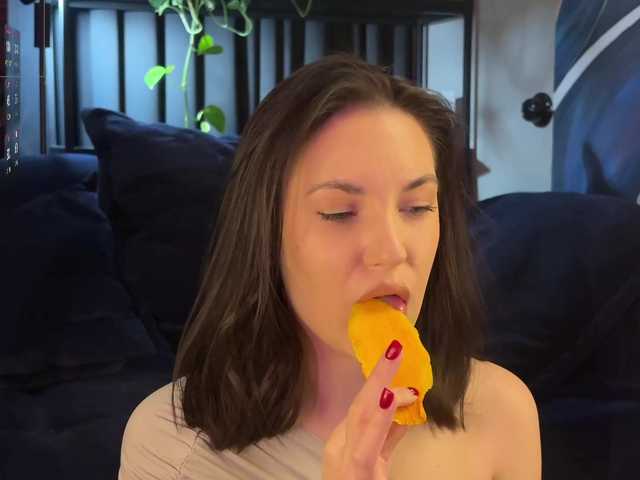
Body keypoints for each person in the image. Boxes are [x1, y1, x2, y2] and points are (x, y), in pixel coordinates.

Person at [117, 52, 542, 479]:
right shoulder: (171, 447)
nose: (392, 250)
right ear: (267, 235)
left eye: (416, 207)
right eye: (339, 212)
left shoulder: (500, 410)